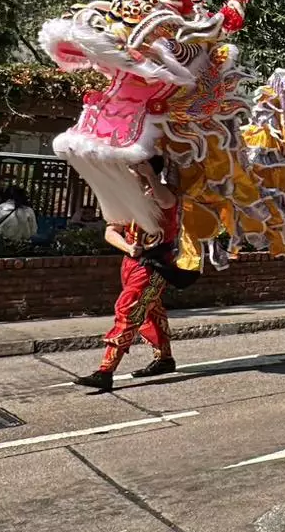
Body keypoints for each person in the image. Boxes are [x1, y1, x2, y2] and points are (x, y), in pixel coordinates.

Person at [74, 159, 196, 390]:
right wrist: (128, 247)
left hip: (155, 265)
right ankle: (164, 359)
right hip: (131, 263)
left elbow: (167, 202)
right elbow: (111, 231)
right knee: (151, 310)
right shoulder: (125, 197)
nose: (129, 170)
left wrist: (150, 176)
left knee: (130, 308)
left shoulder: (164, 192)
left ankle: (105, 371)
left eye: (134, 166)